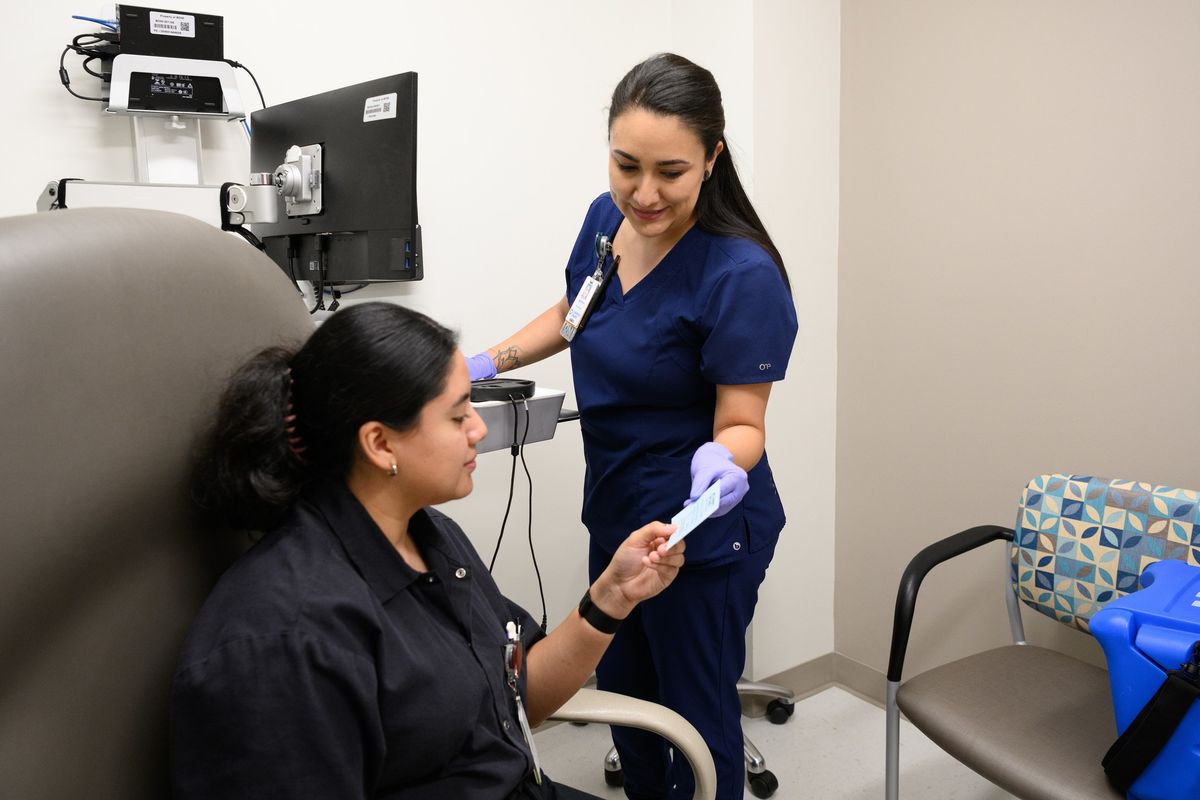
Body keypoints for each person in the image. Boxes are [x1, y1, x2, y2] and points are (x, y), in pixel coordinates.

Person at [169, 301, 685, 800]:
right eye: (460, 415)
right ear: (380, 444)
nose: (479, 430)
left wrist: (611, 597)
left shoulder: (428, 535)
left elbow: (516, 695)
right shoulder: (286, 640)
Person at [465, 53, 798, 799]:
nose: (644, 193)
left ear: (711, 159)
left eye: (670, 172)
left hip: (699, 532)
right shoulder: (605, 219)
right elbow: (571, 312)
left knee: (694, 710)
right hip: (617, 512)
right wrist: (481, 363)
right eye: (626, 165)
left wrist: (725, 459)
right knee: (624, 692)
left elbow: (745, 421)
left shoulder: (740, 275)